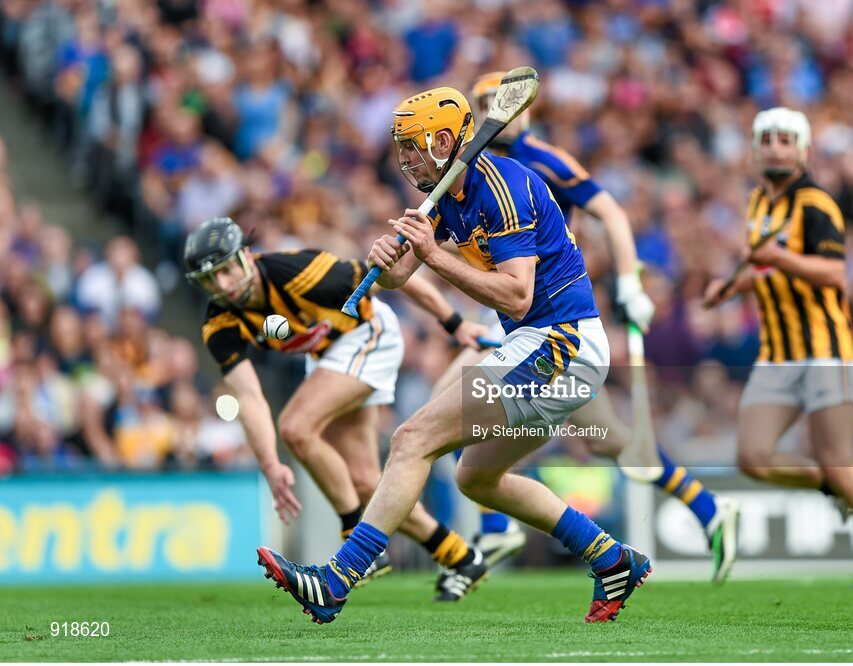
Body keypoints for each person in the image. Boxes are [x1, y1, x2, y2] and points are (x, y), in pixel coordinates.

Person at [257, 87, 651, 624]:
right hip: (535, 345)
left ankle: (336, 580)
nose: (405, 159)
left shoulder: (506, 187)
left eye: (413, 146)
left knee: (412, 439)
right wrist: (387, 258)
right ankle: (612, 558)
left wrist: (433, 253)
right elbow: (401, 276)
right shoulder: (446, 194)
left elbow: (517, 295)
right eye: (400, 148)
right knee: (475, 479)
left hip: (562, 345)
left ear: (445, 140)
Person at [428, 72, 739, 585]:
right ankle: (705, 509)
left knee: (456, 408)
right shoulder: (464, 174)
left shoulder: (543, 159)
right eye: (486, 103)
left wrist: (630, 280)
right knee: (605, 438)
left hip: (548, 315)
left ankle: (496, 522)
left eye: (505, 101)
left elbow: (611, 213)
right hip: (507, 313)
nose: (499, 110)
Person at [183, 216, 493, 601]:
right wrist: (269, 464)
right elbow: (248, 396)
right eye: (211, 279)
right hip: (328, 356)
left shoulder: (299, 272)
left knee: (296, 426)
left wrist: (454, 323)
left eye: (227, 269)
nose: (224, 285)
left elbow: (390, 276)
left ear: (246, 256)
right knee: (366, 483)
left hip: (368, 334)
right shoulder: (219, 323)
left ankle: (352, 538)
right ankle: (461, 557)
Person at [702, 107, 853, 591]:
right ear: (756, 149)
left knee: (839, 457)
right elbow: (763, 272)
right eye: (767, 139)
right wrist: (731, 287)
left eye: (785, 139)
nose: (776, 146)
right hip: (777, 353)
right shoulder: (757, 201)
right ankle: (835, 486)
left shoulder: (817, 203)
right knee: (753, 457)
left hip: (825, 351)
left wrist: (777, 256)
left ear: (804, 151)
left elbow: (835, 275)